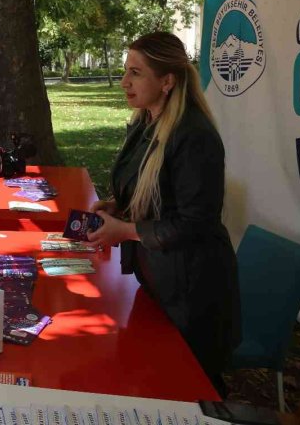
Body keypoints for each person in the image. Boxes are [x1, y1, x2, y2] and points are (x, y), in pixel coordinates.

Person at [86, 31, 241, 394]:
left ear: (167, 81)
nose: (124, 81)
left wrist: (125, 230)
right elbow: (152, 191)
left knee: (188, 389)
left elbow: (195, 223)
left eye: (136, 73)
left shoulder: (194, 135)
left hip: (194, 294)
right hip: (159, 281)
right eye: (126, 70)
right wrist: (118, 207)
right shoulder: (145, 123)